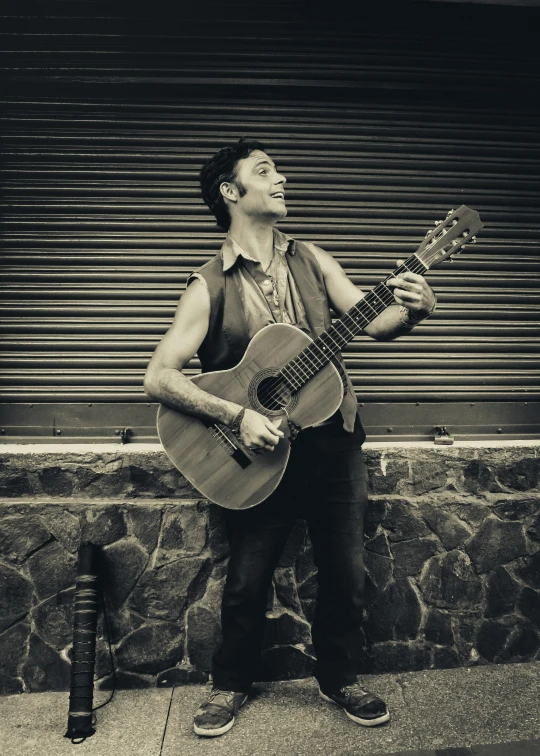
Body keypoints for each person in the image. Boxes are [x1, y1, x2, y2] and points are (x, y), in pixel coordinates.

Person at [144, 138, 437, 737]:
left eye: (277, 169)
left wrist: (412, 309)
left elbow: (372, 317)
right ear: (232, 192)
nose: (281, 177)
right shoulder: (208, 285)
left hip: (332, 441)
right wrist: (234, 416)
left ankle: (341, 679)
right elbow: (159, 375)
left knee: (345, 575)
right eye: (264, 170)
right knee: (247, 582)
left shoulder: (313, 259)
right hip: (252, 456)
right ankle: (229, 684)